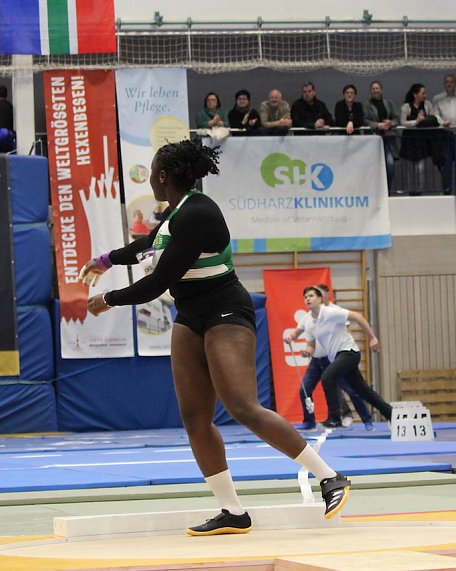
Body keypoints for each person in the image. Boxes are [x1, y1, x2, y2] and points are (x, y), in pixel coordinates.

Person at [78, 139, 350, 535]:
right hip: (190, 315)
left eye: (153, 172)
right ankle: (233, 511)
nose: (152, 177)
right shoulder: (176, 213)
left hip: (226, 310)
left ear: (162, 176)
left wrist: (108, 299)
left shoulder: (198, 214)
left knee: (241, 405)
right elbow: (149, 245)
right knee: (194, 417)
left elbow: (157, 282)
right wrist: (105, 260)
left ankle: (330, 477)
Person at [284, 287, 394, 428]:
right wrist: (306, 351)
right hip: (336, 357)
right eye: (305, 297)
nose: (307, 299)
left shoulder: (331, 312)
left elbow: (358, 317)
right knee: (363, 391)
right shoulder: (308, 321)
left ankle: (334, 418)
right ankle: (391, 414)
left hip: (349, 352)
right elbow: (311, 344)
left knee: (327, 377)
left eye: (311, 296)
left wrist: (372, 338)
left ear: (320, 299)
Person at [400, 83, 442, 194]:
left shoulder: (427, 105)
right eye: (423, 93)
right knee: (410, 169)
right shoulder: (406, 107)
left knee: (421, 169)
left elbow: (434, 117)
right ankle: (410, 192)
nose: (425, 95)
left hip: (421, 140)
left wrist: (439, 122)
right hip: (409, 140)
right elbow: (403, 122)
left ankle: (419, 192)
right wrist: (416, 122)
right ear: (415, 95)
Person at [363, 80, 400, 190]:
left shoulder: (389, 103)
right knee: (373, 167)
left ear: (381, 90)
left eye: (377, 88)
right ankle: (375, 190)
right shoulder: (366, 105)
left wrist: (390, 123)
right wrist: (377, 125)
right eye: (373, 89)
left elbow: (397, 118)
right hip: (373, 139)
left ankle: (386, 190)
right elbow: (364, 120)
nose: (375, 90)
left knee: (390, 164)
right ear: (371, 91)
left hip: (388, 138)